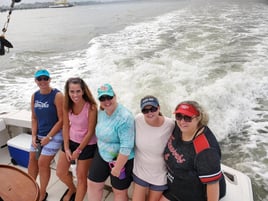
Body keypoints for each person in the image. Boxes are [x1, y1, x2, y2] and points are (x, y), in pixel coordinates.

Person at [160, 101, 226, 201]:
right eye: (178, 116)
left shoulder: (206, 151)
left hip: (194, 196)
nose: (182, 121)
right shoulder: (179, 127)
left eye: (187, 118)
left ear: (198, 118)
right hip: (174, 186)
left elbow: (213, 184)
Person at [87, 83, 135, 201]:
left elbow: (126, 147)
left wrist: (117, 168)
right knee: (93, 184)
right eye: (102, 98)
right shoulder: (101, 112)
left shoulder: (125, 117)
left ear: (115, 96)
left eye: (109, 97)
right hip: (102, 153)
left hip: (121, 159)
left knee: (119, 192)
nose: (106, 101)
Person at [56, 77, 98, 201]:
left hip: (87, 144)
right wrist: (67, 148)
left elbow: (90, 132)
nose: (75, 95)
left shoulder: (91, 107)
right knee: (60, 172)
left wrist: (78, 151)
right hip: (71, 141)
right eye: (72, 91)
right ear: (68, 92)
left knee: (81, 178)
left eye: (78, 91)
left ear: (83, 91)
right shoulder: (67, 105)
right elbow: (65, 126)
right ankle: (72, 189)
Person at [28, 69, 64, 201]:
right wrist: (33, 136)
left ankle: (42, 193)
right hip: (39, 134)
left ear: (49, 79)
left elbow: (61, 120)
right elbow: (34, 118)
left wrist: (49, 137)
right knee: (32, 159)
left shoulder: (57, 95)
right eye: (39, 79)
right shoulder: (34, 96)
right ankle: (31, 187)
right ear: (36, 81)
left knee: (42, 162)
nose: (42, 81)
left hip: (55, 133)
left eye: (45, 78)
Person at [132, 95, 175, 201]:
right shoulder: (138, 119)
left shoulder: (171, 124)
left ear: (159, 108)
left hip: (160, 175)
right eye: (145, 110)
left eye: (153, 109)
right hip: (140, 171)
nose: (150, 113)